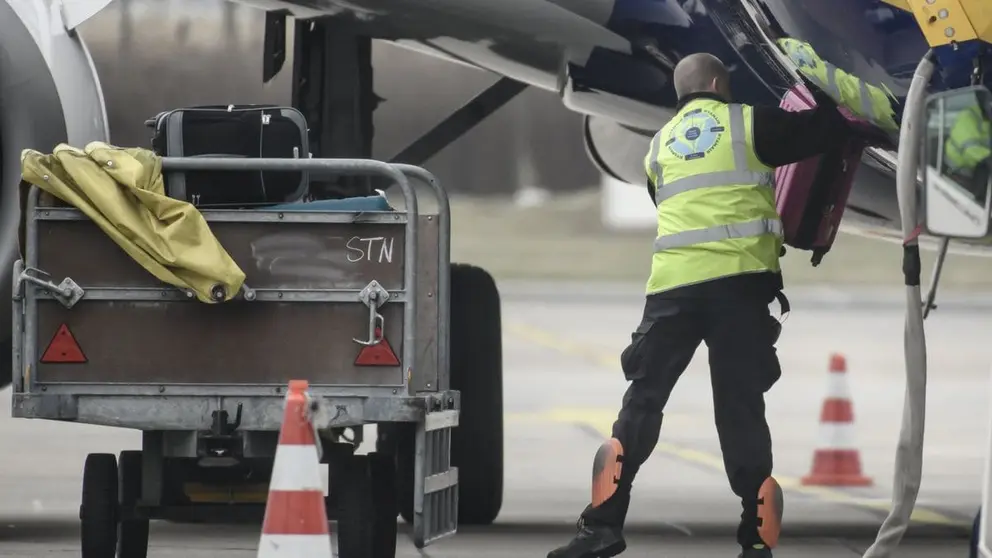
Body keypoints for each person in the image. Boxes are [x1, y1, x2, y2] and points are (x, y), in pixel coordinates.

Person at [546, 52, 854, 558]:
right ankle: (756, 542)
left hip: (672, 289)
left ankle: (599, 528)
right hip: (738, 288)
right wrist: (822, 81)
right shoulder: (748, 123)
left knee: (640, 406)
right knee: (740, 412)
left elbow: (666, 200)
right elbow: (826, 130)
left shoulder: (658, 147)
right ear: (717, 83)